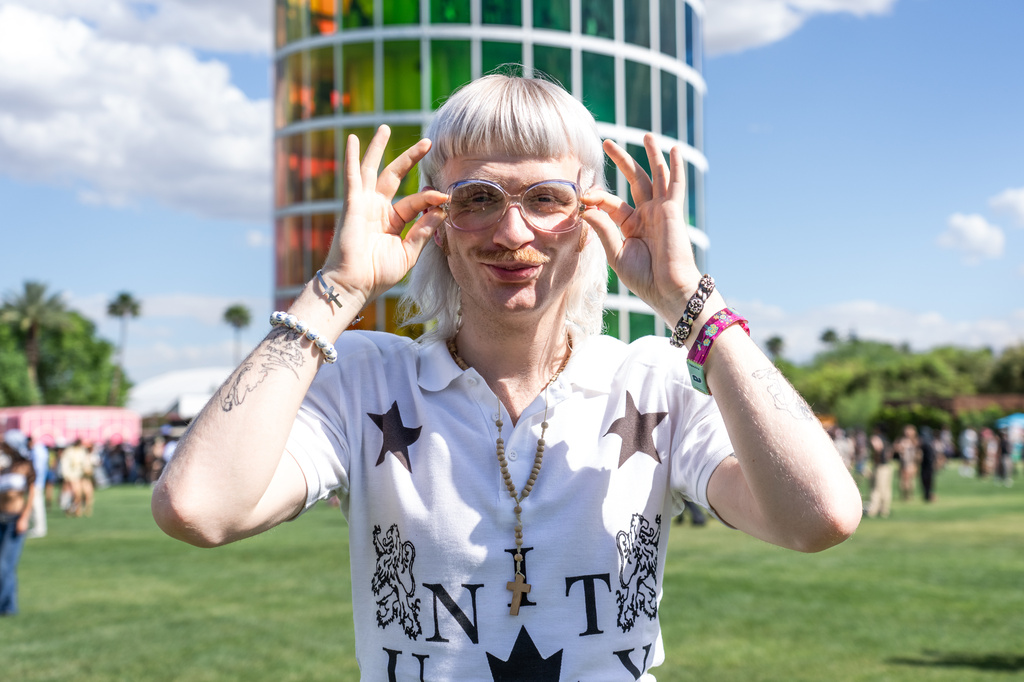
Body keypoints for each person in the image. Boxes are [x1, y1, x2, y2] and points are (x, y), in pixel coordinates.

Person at [152, 75, 861, 679]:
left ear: (591, 218)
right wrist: (336, 289)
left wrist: (690, 302)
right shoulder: (368, 381)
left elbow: (820, 517)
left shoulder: (650, 381)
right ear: (435, 221)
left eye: (546, 198)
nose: (512, 233)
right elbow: (197, 508)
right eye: (477, 199)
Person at [1, 429, 36, 615]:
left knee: (5, 564)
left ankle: (6, 606)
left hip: (15, 520)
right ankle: (7, 605)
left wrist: (24, 517)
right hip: (1, 518)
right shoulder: (5, 467)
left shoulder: (26, 466)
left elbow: (32, 494)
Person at [865, 426, 893, 518]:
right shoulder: (886, 439)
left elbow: (877, 448)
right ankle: (884, 510)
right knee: (886, 489)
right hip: (887, 466)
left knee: (876, 489)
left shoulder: (876, 438)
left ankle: (873, 510)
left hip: (880, 466)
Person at [26, 435, 49, 538]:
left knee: (36, 505)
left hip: (35, 482)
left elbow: (37, 468)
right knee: (35, 505)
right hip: (37, 482)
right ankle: (37, 527)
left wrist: (31, 481)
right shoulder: (40, 449)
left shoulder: (37, 451)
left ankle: (39, 529)